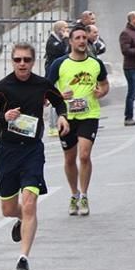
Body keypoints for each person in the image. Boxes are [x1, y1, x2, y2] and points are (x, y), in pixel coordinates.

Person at [0, 43, 69, 270]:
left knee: (30, 204)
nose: (22, 64)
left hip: (32, 151)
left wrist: (63, 117)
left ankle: (23, 258)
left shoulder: (42, 84)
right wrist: (3, 117)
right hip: (7, 151)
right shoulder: (4, 87)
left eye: (26, 60)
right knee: (9, 209)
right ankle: (21, 219)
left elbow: (58, 100)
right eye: (18, 60)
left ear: (33, 62)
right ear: (12, 62)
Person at [47, 24, 109, 217]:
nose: (82, 41)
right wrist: (59, 95)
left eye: (84, 37)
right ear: (71, 41)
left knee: (84, 155)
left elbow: (105, 85)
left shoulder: (95, 64)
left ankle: (84, 195)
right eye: (78, 38)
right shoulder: (59, 64)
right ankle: (73, 194)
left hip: (89, 115)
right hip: (66, 117)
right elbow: (45, 90)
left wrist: (101, 92)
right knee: (69, 158)